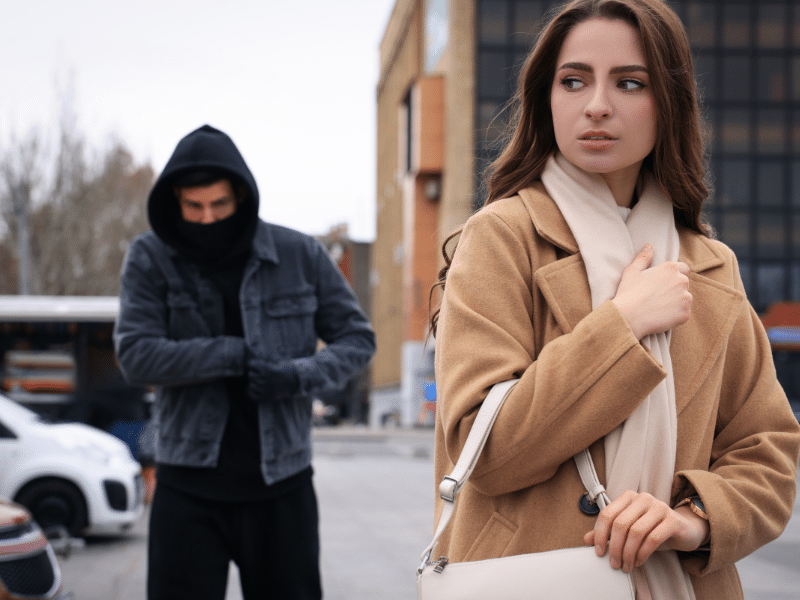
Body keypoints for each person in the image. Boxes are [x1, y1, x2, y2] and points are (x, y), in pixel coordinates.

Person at [428, 1, 800, 599]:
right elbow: (486, 452)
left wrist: (692, 518)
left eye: (630, 82)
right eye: (573, 81)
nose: (597, 104)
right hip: (529, 579)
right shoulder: (500, 237)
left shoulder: (709, 265)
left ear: (668, 104)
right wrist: (623, 327)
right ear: (547, 99)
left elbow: (767, 451)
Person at [114, 124, 376, 600]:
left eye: (219, 205)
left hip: (282, 487)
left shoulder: (299, 254)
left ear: (241, 196)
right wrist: (231, 354)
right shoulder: (150, 258)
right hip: (187, 486)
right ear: (175, 202)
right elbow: (135, 356)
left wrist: (293, 376)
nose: (208, 219)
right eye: (193, 207)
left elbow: (357, 340)